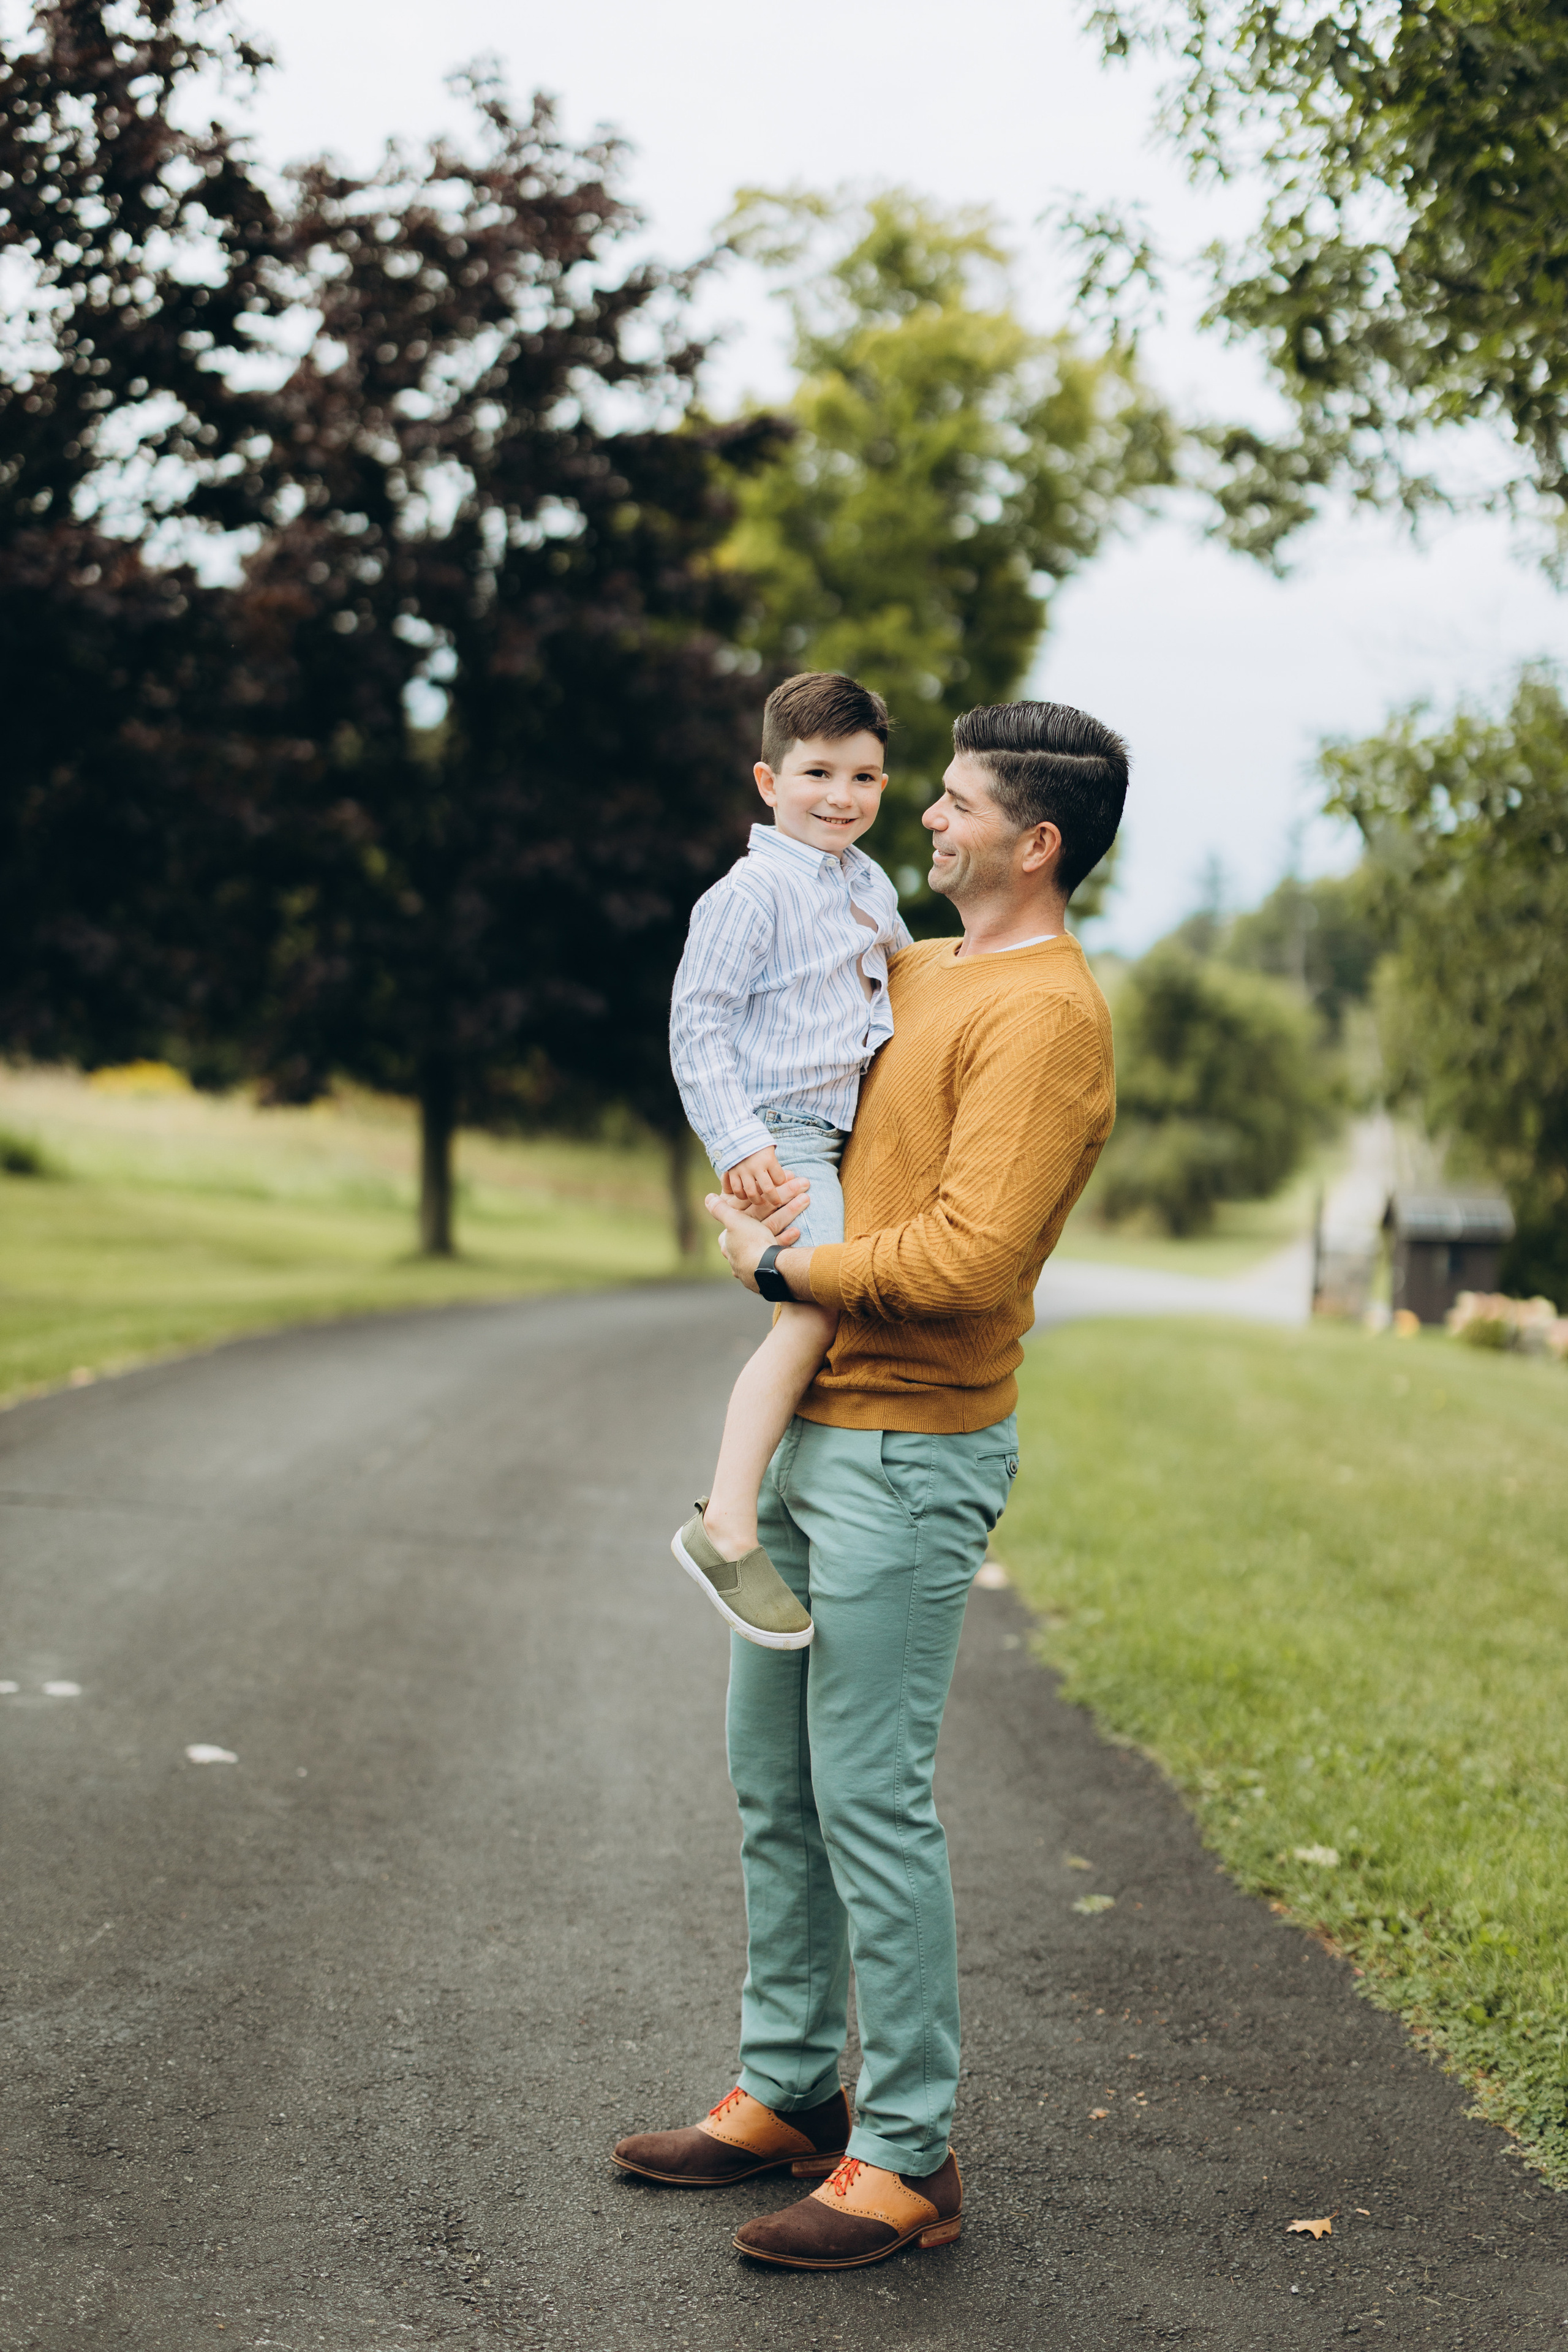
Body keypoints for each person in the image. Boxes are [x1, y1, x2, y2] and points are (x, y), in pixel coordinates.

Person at [614, 698, 1125, 2271]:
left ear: (1032, 843)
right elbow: (773, 1055)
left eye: (955, 804)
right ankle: (785, 2090)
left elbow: (970, 1260)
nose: (924, 820)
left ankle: (907, 2154)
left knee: (869, 1804)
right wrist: (745, 1163)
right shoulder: (906, 964)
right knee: (773, 1784)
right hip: (823, 1424)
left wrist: (787, 1264)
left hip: (910, 1452)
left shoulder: (1044, 1020)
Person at [666, 669, 910, 1652]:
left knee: (816, 1323)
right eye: (818, 773)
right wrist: (741, 1149)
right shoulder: (750, 892)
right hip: (782, 1132)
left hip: (842, 1135)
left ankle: (769, 1509)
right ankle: (725, 1524)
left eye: (865, 777)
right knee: (816, 1305)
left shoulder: (869, 884)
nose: (842, 797)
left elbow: (907, 971)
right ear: (769, 781)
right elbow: (699, 1027)